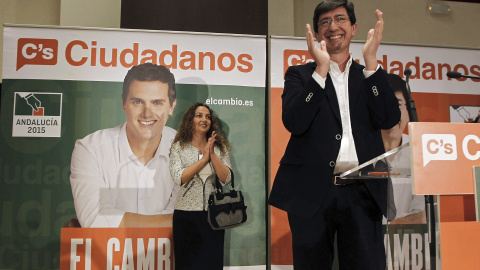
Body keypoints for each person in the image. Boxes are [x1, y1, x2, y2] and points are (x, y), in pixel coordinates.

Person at [268, 0, 401, 269]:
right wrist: (321, 69)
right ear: (317, 34)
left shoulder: (370, 75)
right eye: (324, 22)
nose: (332, 26)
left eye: (340, 19)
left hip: (363, 192)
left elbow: (389, 119)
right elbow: (294, 122)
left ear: (353, 28)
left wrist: (372, 61)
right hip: (313, 191)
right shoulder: (300, 75)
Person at [70, 63, 180, 228]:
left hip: (171, 254)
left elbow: (190, 221)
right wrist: (176, 222)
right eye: (137, 102)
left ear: (171, 106)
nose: (147, 113)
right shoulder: (90, 149)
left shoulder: (188, 150)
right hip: (108, 254)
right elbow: (96, 223)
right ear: (123, 102)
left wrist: (117, 222)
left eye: (157, 103)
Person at [169, 102, 232, 270]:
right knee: (186, 264)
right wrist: (204, 160)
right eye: (199, 115)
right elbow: (179, 177)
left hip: (214, 216)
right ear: (191, 120)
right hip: (186, 216)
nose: (204, 119)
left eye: (208, 117)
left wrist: (212, 154)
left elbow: (227, 179)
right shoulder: (179, 147)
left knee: (212, 263)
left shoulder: (220, 148)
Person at [382, 73, 426, 224]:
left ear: (408, 112)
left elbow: (424, 214)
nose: (392, 113)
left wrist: (389, 229)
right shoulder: (358, 151)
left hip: (410, 243)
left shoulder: (419, 152)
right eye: (384, 104)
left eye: (399, 104)